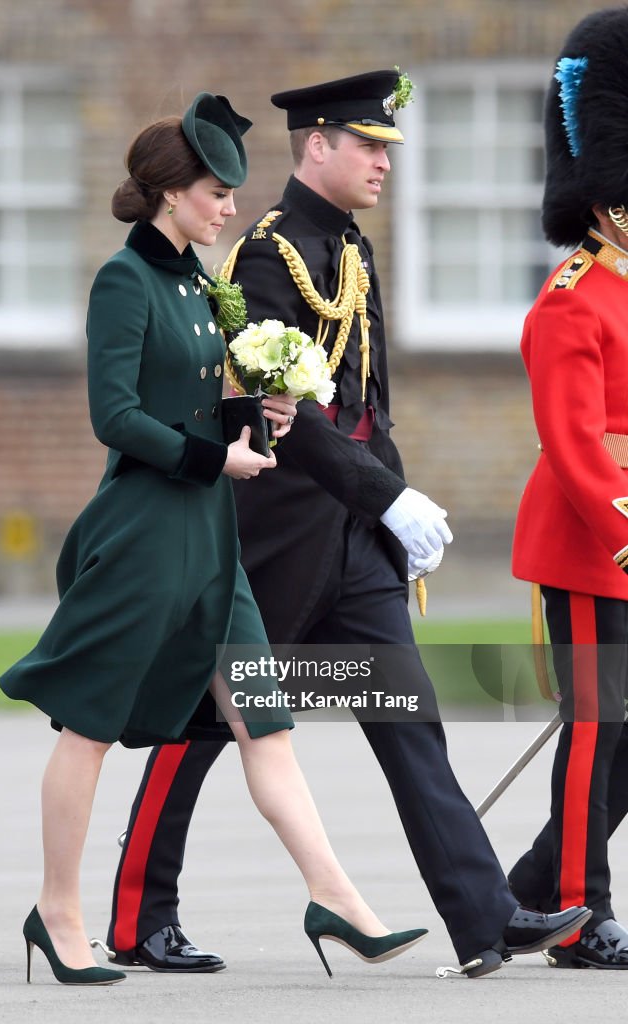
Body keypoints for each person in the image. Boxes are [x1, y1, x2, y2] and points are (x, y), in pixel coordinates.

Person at [102, 71, 590, 980]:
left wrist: (394, 508)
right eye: (367, 145)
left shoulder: (350, 247)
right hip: (276, 538)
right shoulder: (269, 252)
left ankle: (487, 921)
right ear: (316, 144)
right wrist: (386, 498)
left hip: (354, 542)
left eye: (387, 148)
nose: (382, 163)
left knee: (411, 717)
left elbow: (367, 405)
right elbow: (298, 415)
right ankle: (138, 915)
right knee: (207, 723)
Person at [0, 91, 428, 986]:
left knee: (263, 720)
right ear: (169, 195)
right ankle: (59, 912)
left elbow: (202, 397)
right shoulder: (128, 281)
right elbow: (114, 416)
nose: (231, 207)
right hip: (148, 534)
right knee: (87, 729)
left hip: (211, 538)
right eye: (214, 192)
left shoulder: (203, 283)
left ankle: (337, 899)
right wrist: (210, 457)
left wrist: (259, 415)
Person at [507, 7, 628, 970]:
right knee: (597, 726)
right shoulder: (570, 299)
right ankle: (581, 912)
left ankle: (531, 890)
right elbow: (579, 447)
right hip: (595, 547)